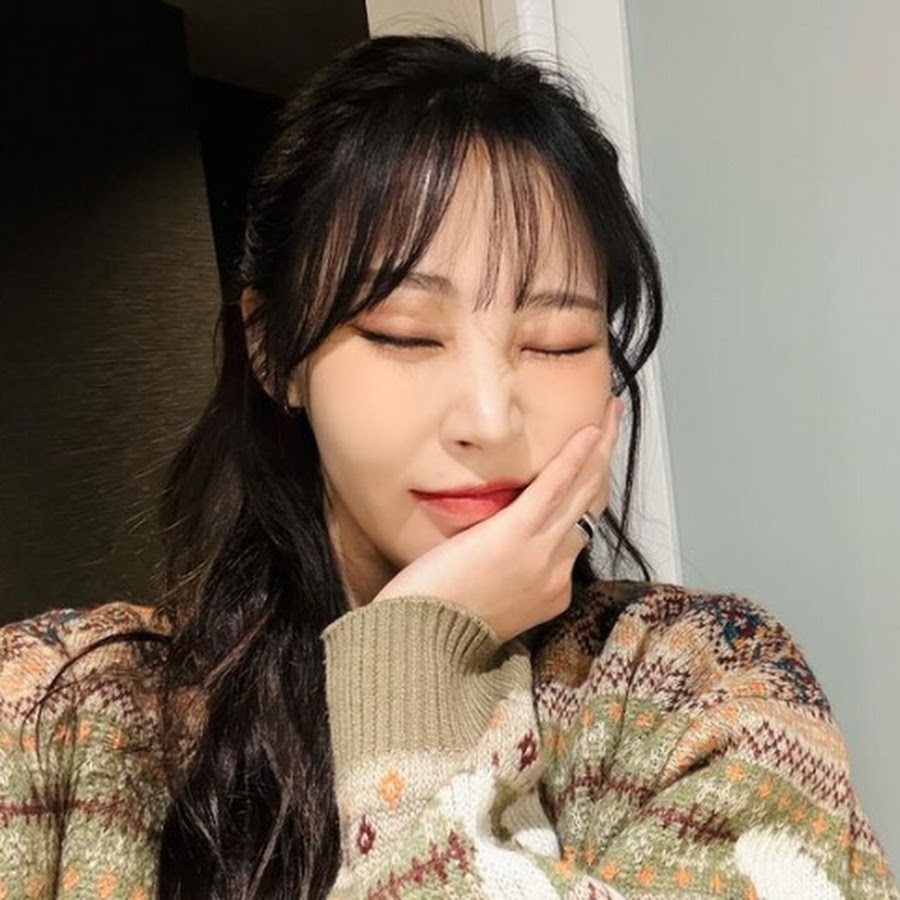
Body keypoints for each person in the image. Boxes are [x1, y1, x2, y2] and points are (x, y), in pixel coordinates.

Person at [0, 33, 896, 900]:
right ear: (272, 352)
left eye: (556, 341)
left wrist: (420, 656)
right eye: (404, 334)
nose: (490, 421)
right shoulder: (59, 714)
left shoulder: (709, 687)